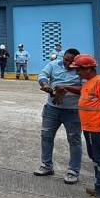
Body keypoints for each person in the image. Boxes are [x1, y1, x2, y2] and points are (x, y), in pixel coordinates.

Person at [56, 54, 100, 198]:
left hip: (98, 128)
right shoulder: (89, 82)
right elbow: (82, 92)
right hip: (90, 127)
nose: (77, 73)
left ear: (89, 68)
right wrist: (66, 87)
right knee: (97, 158)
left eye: (79, 70)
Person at [33, 48, 83, 184]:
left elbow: (86, 89)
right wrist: (45, 84)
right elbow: (43, 74)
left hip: (72, 111)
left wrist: (65, 88)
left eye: (70, 62)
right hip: (52, 109)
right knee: (46, 136)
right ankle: (46, 166)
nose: (66, 63)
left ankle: (73, 171)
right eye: (65, 60)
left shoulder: (81, 70)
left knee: (74, 140)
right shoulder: (54, 64)